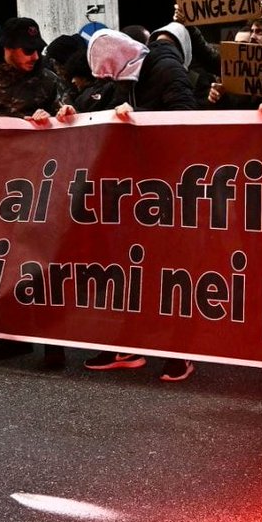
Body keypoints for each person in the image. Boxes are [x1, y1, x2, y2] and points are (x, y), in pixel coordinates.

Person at [0, 17, 75, 367]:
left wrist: (57, 116)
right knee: (4, 261)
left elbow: (70, 116)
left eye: (38, 50)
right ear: (7, 48)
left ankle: (53, 345)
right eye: (27, 50)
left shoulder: (49, 81)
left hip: (40, 186)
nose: (34, 56)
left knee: (42, 263)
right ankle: (11, 337)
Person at [87, 25, 197, 382]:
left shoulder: (165, 69)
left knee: (173, 271)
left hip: (171, 189)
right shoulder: (124, 77)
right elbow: (98, 104)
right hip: (135, 190)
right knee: (132, 271)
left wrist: (138, 117)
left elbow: (186, 118)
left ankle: (181, 353)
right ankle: (128, 343)